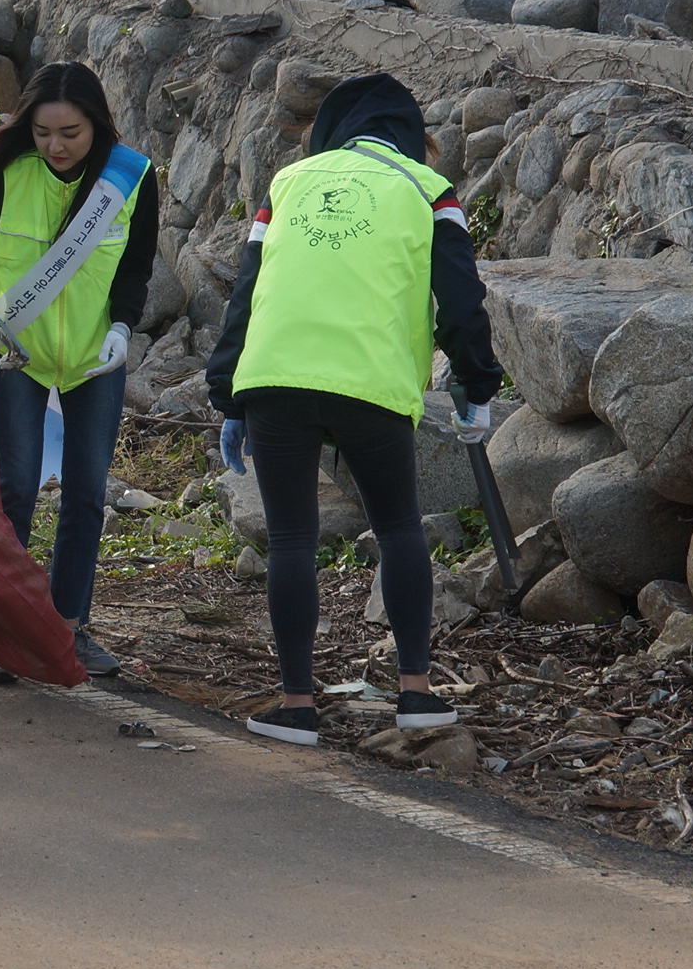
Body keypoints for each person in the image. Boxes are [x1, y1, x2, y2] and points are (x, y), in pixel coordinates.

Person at [206, 72, 500, 747]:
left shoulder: (286, 186)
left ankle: (297, 707)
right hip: (370, 384)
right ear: (411, 136)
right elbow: (460, 300)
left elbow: (244, 297)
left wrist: (228, 395)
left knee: (290, 540)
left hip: (275, 379)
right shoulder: (430, 191)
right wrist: (475, 389)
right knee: (398, 530)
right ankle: (417, 696)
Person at [0, 62, 160, 682]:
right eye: (42, 133)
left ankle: (67, 628)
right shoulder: (6, 169)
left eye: (71, 133)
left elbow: (136, 263)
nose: (55, 146)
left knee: (86, 494)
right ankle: (2, 630)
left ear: (99, 126)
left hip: (94, 355)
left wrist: (124, 325)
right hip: (16, 348)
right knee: (16, 489)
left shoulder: (131, 177)